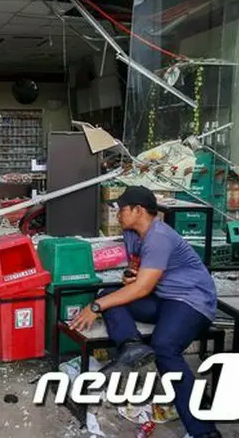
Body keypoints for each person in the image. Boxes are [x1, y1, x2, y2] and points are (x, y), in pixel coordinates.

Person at [70, 185, 221, 438]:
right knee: (108, 296)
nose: (117, 214)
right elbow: (137, 276)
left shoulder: (159, 237)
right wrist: (130, 276)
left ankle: (204, 431)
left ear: (139, 210)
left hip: (192, 302)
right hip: (163, 298)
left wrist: (94, 308)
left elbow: (141, 289)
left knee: (164, 348)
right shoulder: (132, 234)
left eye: (122, 209)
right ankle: (131, 347)